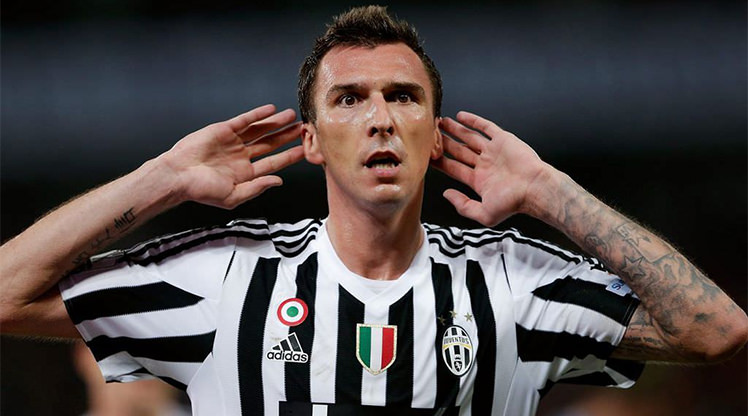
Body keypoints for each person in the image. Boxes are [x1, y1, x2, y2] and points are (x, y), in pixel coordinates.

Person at [1, 5, 746, 416]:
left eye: (404, 97)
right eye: (350, 99)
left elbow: (716, 329)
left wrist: (554, 193)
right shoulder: (225, 278)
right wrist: (161, 178)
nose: (381, 118)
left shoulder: (511, 285)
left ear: (434, 135)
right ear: (312, 140)